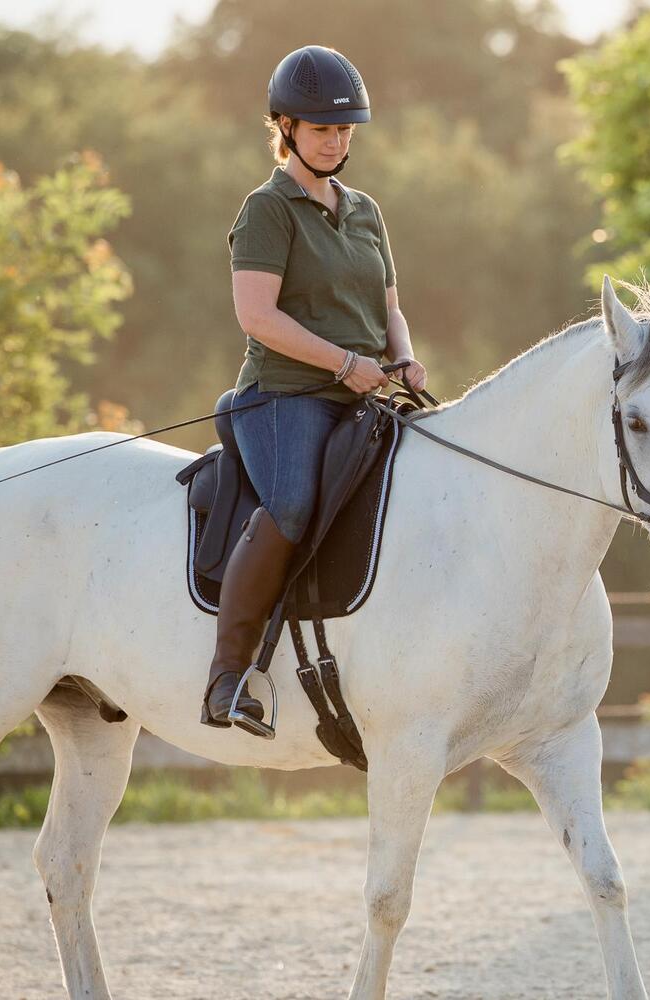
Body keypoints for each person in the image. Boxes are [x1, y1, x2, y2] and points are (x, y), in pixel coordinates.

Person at [201, 44, 428, 735]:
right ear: (286, 128)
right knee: (293, 503)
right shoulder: (268, 210)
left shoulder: (365, 211)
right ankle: (228, 678)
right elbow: (257, 317)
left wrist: (406, 359)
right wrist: (340, 364)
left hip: (363, 394)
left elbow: (389, 306)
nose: (335, 141)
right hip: (284, 397)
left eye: (344, 130)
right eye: (321, 128)